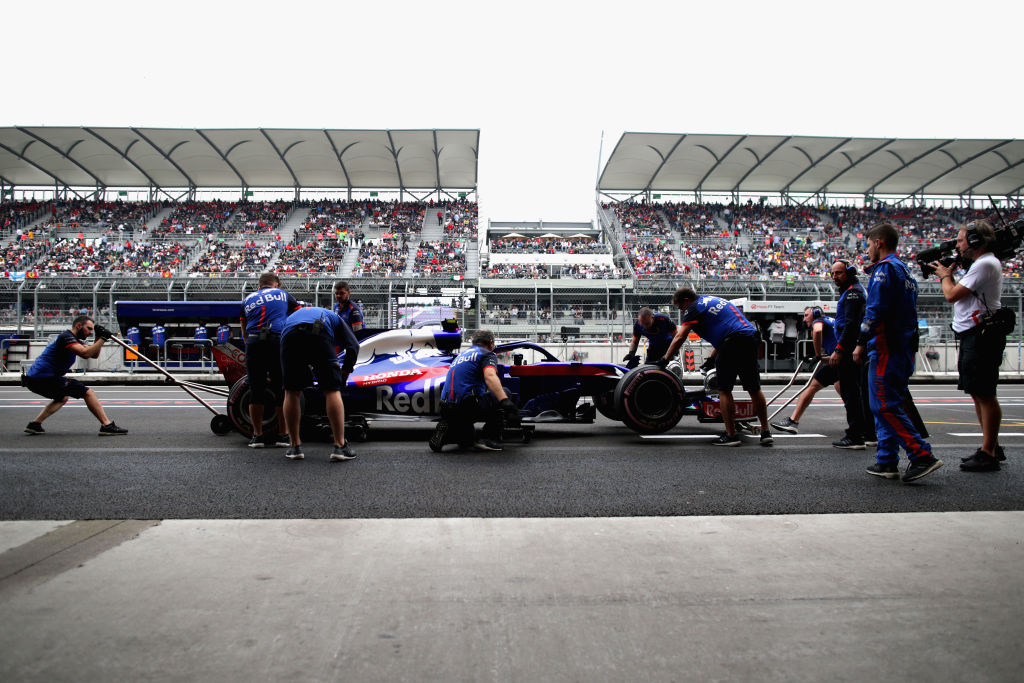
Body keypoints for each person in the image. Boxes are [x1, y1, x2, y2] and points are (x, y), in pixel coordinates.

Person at [853, 222, 942, 482]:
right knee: (887, 403)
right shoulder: (905, 271)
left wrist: (860, 342)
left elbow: (875, 311)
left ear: (879, 242)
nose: (867, 249)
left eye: (868, 244)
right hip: (903, 347)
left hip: (886, 347)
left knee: (883, 404)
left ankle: (921, 455)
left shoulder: (884, 270)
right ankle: (887, 461)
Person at [931, 220, 1005, 472]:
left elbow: (951, 295)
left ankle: (988, 452)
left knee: (985, 393)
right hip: (975, 334)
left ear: (974, 241)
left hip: (981, 335)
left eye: (961, 239)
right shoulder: (983, 264)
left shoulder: (984, 263)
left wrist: (945, 276)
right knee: (978, 392)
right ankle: (990, 446)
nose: (958, 244)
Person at [663, 287, 773, 446]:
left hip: (731, 343)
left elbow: (680, 336)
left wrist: (665, 359)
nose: (681, 311)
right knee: (754, 389)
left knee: (724, 390)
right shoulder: (713, 300)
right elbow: (727, 329)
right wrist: (711, 358)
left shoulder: (694, 307)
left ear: (686, 300)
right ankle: (765, 432)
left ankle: (731, 435)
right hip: (749, 339)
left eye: (681, 307)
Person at [21, 315, 128, 436]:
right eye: (88, 328)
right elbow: (85, 353)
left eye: (92, 330)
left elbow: (93, 355)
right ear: (78, 326)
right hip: (42, 377)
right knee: (88, 392)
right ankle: (107, 425)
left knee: (62, 398)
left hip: (37, 378)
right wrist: (103, 338)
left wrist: (99, 338)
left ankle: (35, 425)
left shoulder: (74, 340)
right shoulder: (66, 337)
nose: (90, 332)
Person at [280, 306, 359, 461]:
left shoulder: (291, 317)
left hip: (290, 336)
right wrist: (345, 372)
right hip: (319, 331)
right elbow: (353, 346)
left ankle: (294, 446)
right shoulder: (334, 317)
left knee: (291, 391)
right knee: (332, 390)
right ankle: (340, 446)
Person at [429, 329, 520, 452]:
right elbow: (490, 376)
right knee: (504, 391)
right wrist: (505, 401)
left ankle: (449, 433)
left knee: (467, 440)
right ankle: (489, 438)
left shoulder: (461, 355)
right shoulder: (487, 354)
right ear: (491, 342)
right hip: (467, 406)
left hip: (445, 408)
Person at [771, 307, 851, 442]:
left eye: (806, 315)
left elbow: (817, 331)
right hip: (840, 359)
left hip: (839, 360)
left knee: (813, 386)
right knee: (845, 393)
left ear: (815, 314)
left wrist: (818, 354)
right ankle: (861, 423)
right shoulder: (830, 320)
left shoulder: (818, 321)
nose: (804, 319)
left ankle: (793, 421)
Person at [240, 272, 301, 448]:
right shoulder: (283, 294)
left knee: (256, 389)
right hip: (276, 341)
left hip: (254, 341)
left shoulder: (248, 298)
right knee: (282, 389)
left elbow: (243, 324)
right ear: (276, 284)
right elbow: (298, 314)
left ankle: (257, 436)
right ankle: (283, 435)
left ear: (260, 286)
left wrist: (247, 340)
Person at [826, 259, 875, 448]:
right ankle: (867, 433)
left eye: (838, 273)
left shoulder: (853, 292)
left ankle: (855, 435)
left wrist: (839, 349)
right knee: (858, 392)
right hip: (852, 348)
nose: (834, 277)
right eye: (832, 273)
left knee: (851, 392)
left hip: (849, 350)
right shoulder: (852, 290)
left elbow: (851, 325)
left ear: (850, 272)